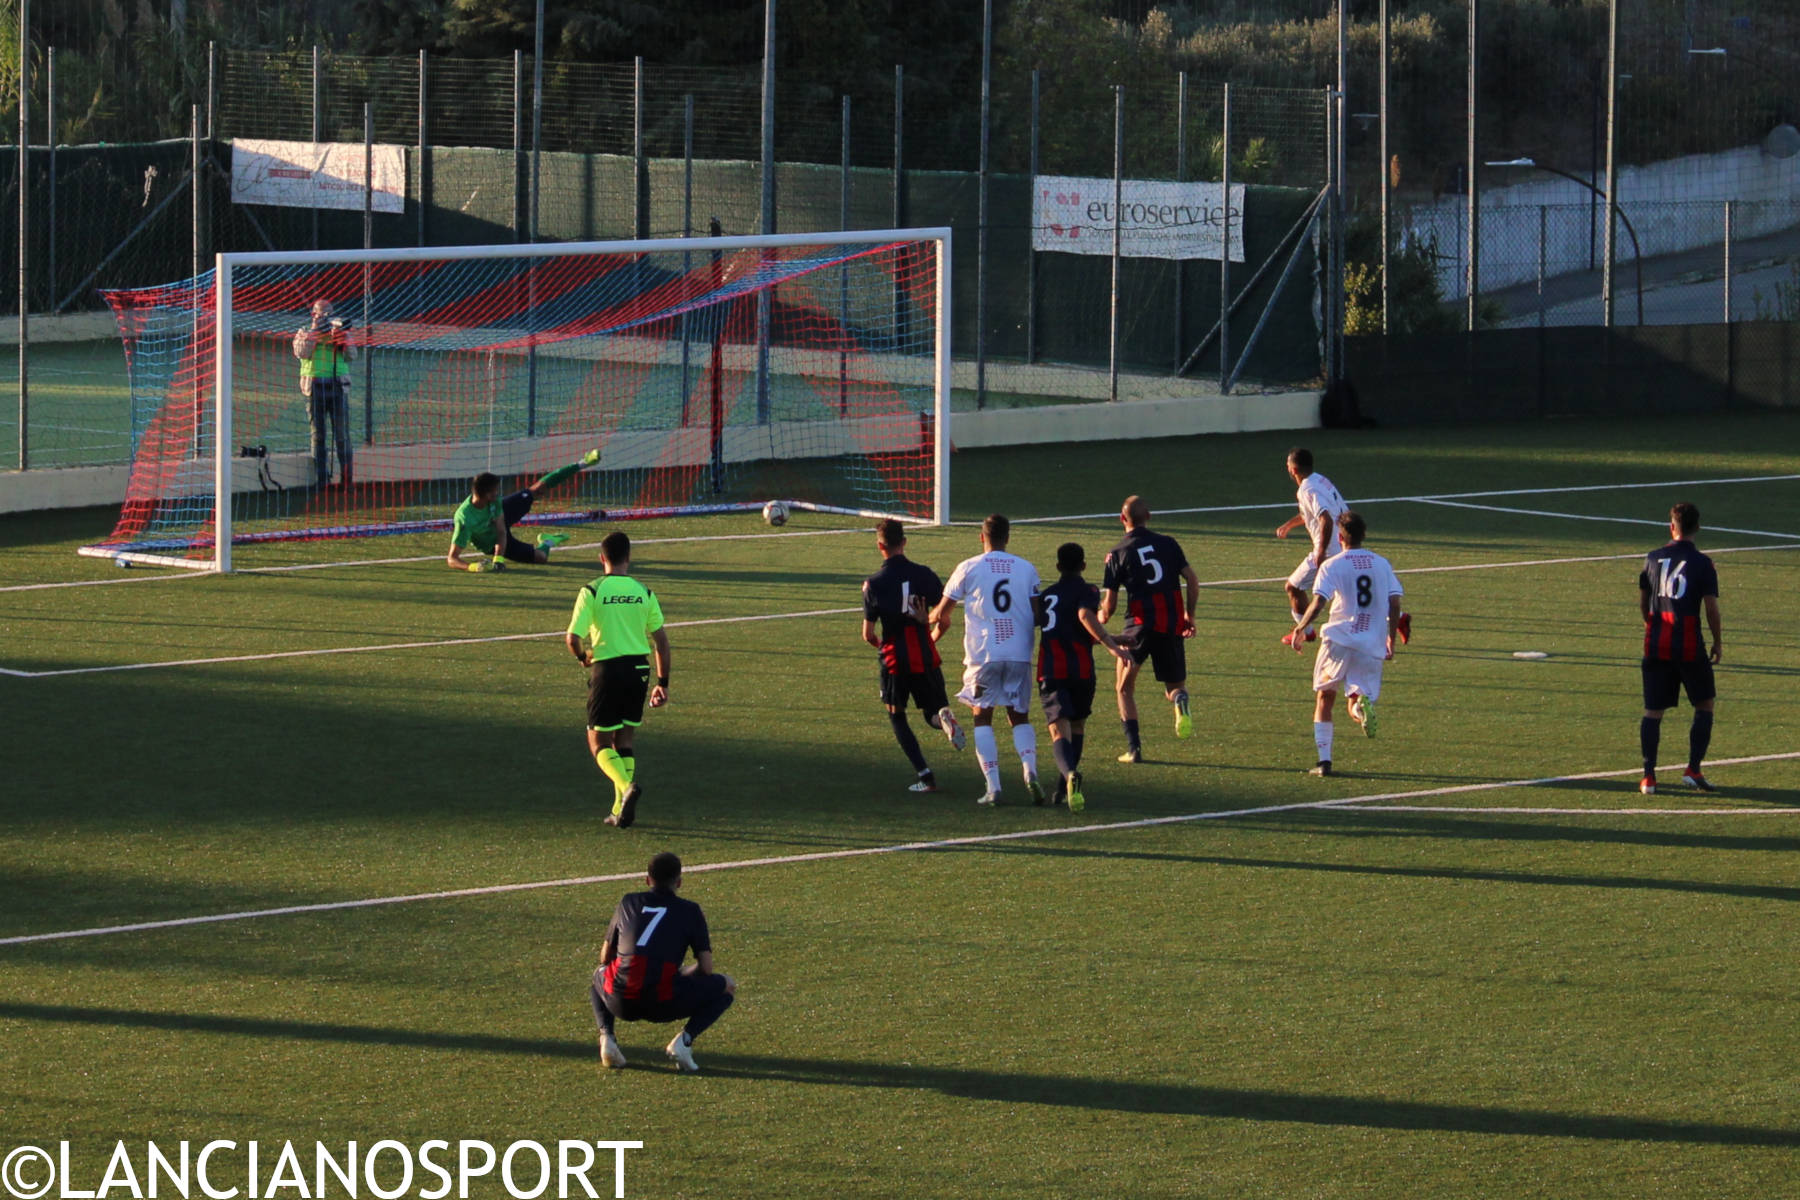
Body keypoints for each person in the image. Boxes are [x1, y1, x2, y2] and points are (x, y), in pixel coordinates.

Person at [929, 514, 1044, 806]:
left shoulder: (968, 567)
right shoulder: (1027, 568)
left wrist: (926, 625)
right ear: (1008, 537)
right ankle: (1030, 772)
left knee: (982, 717)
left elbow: (943, 612)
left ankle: (993, 787)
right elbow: (1038, 615)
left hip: (984, 655)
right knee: (1019, 716)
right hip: (1019, 653)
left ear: (982, 537)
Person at [592, 852, 736, 1073]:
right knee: (727, 985)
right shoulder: (690, 910)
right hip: (662, 1003)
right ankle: (684, 1041)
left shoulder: (628, 901)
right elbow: (707, 968)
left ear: (647, 879)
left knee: (599, 974)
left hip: (621, 1002)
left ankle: (607, 1038)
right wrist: (683, 973)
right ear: (679, 882)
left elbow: (605, 958)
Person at [565, 532, 671, 828]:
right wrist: (663, 683)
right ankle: (617, 809)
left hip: (608, 670)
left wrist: (582, 657)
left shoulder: (593, 591)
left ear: (602, 558)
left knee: (597, 741)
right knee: (623, 738)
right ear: (629, 558)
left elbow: (572, 638)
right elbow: (661, 642)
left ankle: (626, 788)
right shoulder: (644, 592)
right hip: (639, 670)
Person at [1290, 511, 1403, 777]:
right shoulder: (1381, 564)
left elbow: (1318, 602)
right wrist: (1391, 638)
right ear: (1363, 536)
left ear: (1340, 537)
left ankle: (1324, 762)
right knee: (1354, 698)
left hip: (1339, 641)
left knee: (1325, 696)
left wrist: (1299, 627)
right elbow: (1395, 602)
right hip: (1370, 643)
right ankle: (1359, 709)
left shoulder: (1333, 565)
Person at [861, 518, 965, 792]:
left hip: (896, 658)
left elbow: (869, 635)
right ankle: (943, 719)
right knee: (932, 711)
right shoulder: (925, 575)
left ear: (880, 546)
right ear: (904, 542)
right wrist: (929, 637)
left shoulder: (873, 584)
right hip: (925, 653)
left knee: (897, 717)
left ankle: (926, 777)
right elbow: (943, 619)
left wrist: (882, 646)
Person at [1098, 496, 1200, 763]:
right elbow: (1192, 579)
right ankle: (1180, 701)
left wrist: (1100, 615)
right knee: (1174, 686)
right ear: (1149, 516)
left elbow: (1109, 605)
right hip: (1170, 623)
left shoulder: (1117, 552)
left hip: (1138, 627)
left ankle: (1134, 749)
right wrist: (1190, 614)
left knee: (1124, 687)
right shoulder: (1168, 543)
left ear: (1122, 519)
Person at [1035, 542, 1132, 812]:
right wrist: (1113, 642)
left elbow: (1079, 617)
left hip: (1052, 668)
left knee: (1058, 728)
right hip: (1082, 669)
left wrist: (1112, 644)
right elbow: (1083, 621)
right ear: (1084, 566)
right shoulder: (1088, 590)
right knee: (1076, 726)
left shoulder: (1048, 595)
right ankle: (1063, 788)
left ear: (1057, 567)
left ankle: (1069, 776)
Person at [1638, 502, 1723, 794]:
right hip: (1689, 645)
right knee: (1704, 704)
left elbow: (1644, 600)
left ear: (1671, 526)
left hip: (1657, 642)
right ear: (1697, 528)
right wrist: (1718, 641)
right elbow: (1711, 608)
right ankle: (1693, 769)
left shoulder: (1652, 558)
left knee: (1653, 711)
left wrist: (1653, 625)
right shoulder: (1703, 564)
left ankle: (1649, 777)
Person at [445, 453, 602, 572]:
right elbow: (452, 559)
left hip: (500, 530)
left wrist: (499, 559)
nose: (498, 494)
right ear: (485, 494)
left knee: (537, 490)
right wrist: (474, 567)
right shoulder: (464, 518)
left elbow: (501, 531)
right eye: (494, 492)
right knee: (541, 558)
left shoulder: (495, 501)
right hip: (490, 544)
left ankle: (582, 463)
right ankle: (548, 541)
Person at [292, 299, 354, 488]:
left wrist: (342, 338)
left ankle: (347, 480)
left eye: (329, 315)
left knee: (342, 436)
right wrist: (315, 333)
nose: (326, 318)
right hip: (315, 389)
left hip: (337, 387)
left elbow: (352, 355)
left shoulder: (340, 333)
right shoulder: (303, 332)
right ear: (314, 315)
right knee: (318, 436)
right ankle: (321, 479)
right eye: (322, 315)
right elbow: (301, 353)